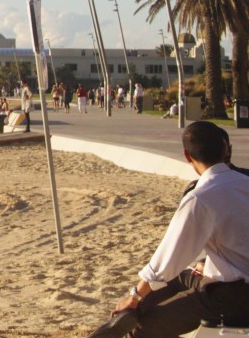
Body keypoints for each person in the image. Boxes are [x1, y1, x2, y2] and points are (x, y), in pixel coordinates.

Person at [88, 121, 249, 337]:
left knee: (145, 328)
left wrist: (134, 295)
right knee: (181, 277)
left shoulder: (201, 198)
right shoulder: (243, 182)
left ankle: (131, 314)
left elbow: (167, 259)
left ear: (187, 156)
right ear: (224, 149)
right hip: (235, 280)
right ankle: (131, 312)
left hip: (233, 297)